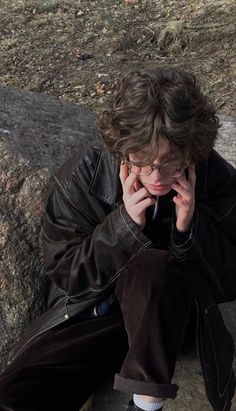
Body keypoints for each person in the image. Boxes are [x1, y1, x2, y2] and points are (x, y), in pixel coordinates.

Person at [0, 66, 236, 411]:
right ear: (123, 148)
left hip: (174, 320)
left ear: (192, 150)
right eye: (142, 161)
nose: (156, 176)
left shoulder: (213, 176)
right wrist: (124, 225)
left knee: (153, 267)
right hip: (93, 314)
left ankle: (145, 404)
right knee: (14, 396)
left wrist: (191, 228)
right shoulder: (86, 173)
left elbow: (230, 281)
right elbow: (67, 275)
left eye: (170, 162)